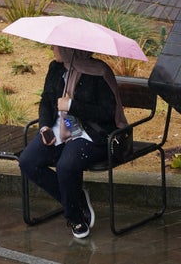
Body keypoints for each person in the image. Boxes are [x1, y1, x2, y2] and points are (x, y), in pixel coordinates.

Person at [18, 45, 125, 239]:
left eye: (57, 46)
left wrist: (72, 106)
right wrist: (44, 127)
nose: (52, 48)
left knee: (65, 166)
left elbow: (108, 113)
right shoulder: (56, 67)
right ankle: (77, 199)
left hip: (90, 133)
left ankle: (74, 217)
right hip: (59, 129)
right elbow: (45, 101)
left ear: (71, 49)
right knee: (28, 161)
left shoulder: (99, 72)